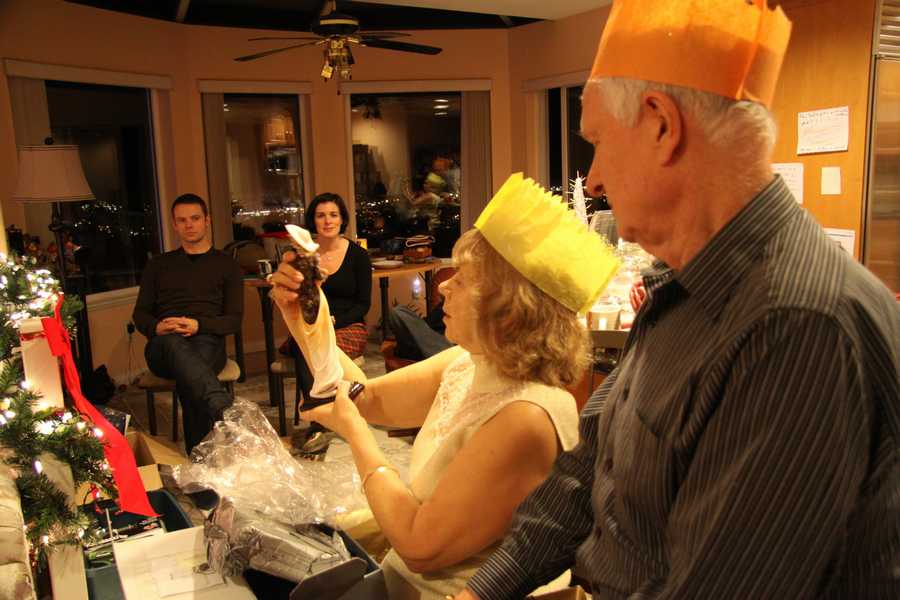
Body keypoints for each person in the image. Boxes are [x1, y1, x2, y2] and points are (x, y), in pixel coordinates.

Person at [455, 2, 900, 599]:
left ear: (662, 125)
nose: (593, 178)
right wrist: (480, 592)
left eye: (598, 142)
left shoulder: (797, 324)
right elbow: (586, 475)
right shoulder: (685, 287)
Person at [269, 174, 619, 599]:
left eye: (464, 279)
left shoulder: (528, 414)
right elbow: (368, 398)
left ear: (509, 307)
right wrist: (305, 314)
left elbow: (420, 546)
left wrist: (355, 433)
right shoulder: (469, 363)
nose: (445, 286)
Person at [133, 193, 243, 454]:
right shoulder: (158, 265)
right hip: (163, 346)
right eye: (182, 220)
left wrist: (198, 325)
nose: (189, 225)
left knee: (191, 374)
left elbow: (233, 320)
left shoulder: (226, 264)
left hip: (207, 341)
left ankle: (200, 459)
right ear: (174, 224)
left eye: (195, 218)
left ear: (207, 220)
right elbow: (140, 314)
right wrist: (157, 327)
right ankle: (219, 403)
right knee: (175, 345)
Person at [285, 192, 371, 450]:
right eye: (321, 215)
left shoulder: (358, 255)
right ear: (313, 220)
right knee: (307, 346)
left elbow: (363, 305)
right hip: (313, 326)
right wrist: (316, 321)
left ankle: (324, 417)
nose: (327, 220)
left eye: (333, 215)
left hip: (349, 326)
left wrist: (335, 321)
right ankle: (321, 419)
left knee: (320, 350)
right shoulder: (304, 256)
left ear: (342, 219)